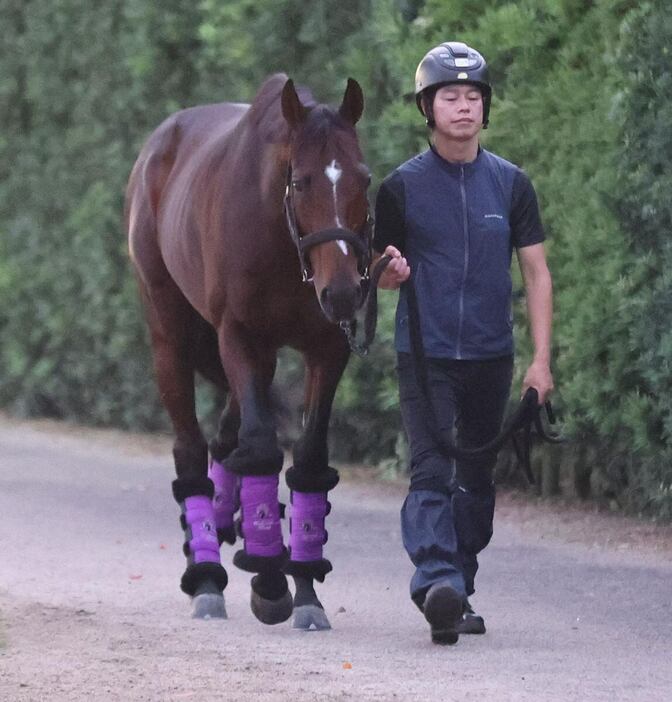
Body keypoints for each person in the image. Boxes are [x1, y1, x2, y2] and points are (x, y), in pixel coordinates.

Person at [372, 41, 554, 645]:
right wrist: (388, 273)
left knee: (476, 479)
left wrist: (541, 361)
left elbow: (536, 274)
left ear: (486, 107)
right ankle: (435, 575)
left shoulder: (512, 184)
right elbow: (379, 267)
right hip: (424, 356)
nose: (463, 107)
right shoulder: (399, 188)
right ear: (428, 107)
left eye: (473, 96)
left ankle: (456, 593)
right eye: (450, 96)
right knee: (432, 470)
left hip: (490, 355)